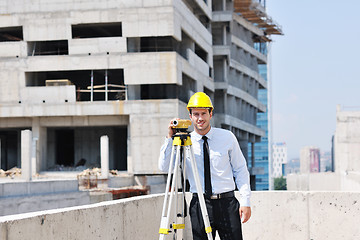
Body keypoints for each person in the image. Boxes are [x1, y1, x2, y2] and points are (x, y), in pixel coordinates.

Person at [158, 92, 251, 240]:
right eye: (196, 114)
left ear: (210, 114)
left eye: (203, 113)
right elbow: (164, 167)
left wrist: (246, 201)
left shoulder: (227, 137)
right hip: (199, 205)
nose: (200, 118)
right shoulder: (185, 141)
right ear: (190, 116)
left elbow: (240, 169)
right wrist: (170, 138)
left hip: (227, 203)